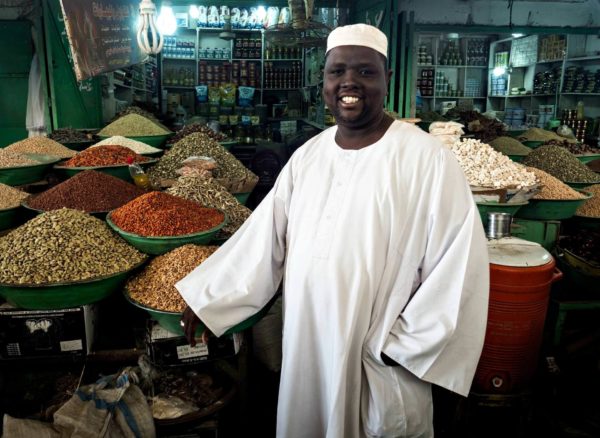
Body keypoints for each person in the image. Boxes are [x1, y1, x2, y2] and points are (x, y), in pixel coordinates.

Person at [177, 23, 490, 438]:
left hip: (377, 347)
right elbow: (264, 236)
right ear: (323, 81)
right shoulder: (309, 156)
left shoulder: (426, 159)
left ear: (387, 79)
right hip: (309, 339)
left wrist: (408, 346)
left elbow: (460, 263)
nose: (349, 83)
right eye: (337, 71)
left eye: (365, 71)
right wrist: (211, 296)